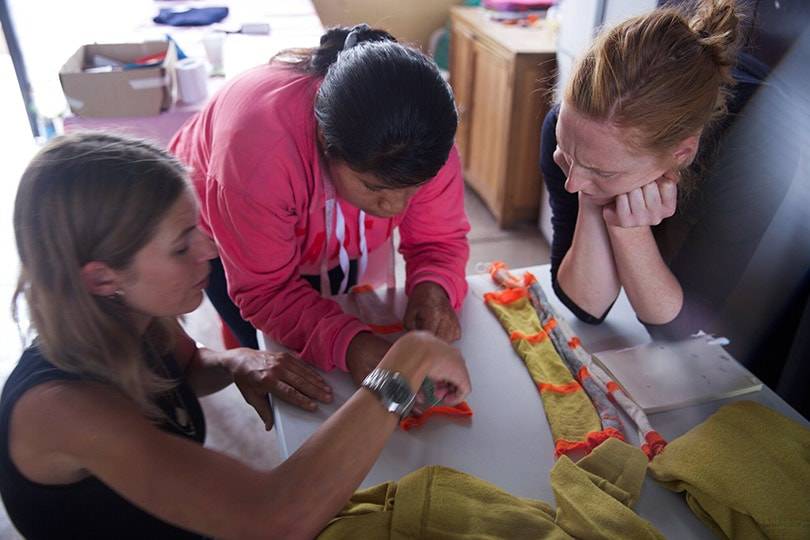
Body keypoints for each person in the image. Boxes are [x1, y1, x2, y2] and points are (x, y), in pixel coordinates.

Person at [0, 133, 471, 539]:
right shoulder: (63, 408)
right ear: (103, 279)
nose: (209, 247)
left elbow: (186, 366)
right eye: (183, 244)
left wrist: (233, 361)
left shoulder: (131, 316)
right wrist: (404, 362)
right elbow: (274, 519)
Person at [169, 24, 470, 395]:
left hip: (287, 199)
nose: (393, 208)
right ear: (327, 143)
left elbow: (438, 239)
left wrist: (434, 287)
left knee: (336, 319)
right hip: (224, 228)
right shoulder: (256, 154)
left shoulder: (424, 137)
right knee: (271, 355)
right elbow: (266, 290)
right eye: (375, 189)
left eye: (414, 190)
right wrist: (353, 345)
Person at [540, 0, 772, 340]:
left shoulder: (751, 154)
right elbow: (584, 306)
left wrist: (628, 232)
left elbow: (678, 332)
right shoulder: (575, 134)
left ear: (682, 153)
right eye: (566, 152)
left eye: (602, 172)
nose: (571, 182)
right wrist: (595, 198)